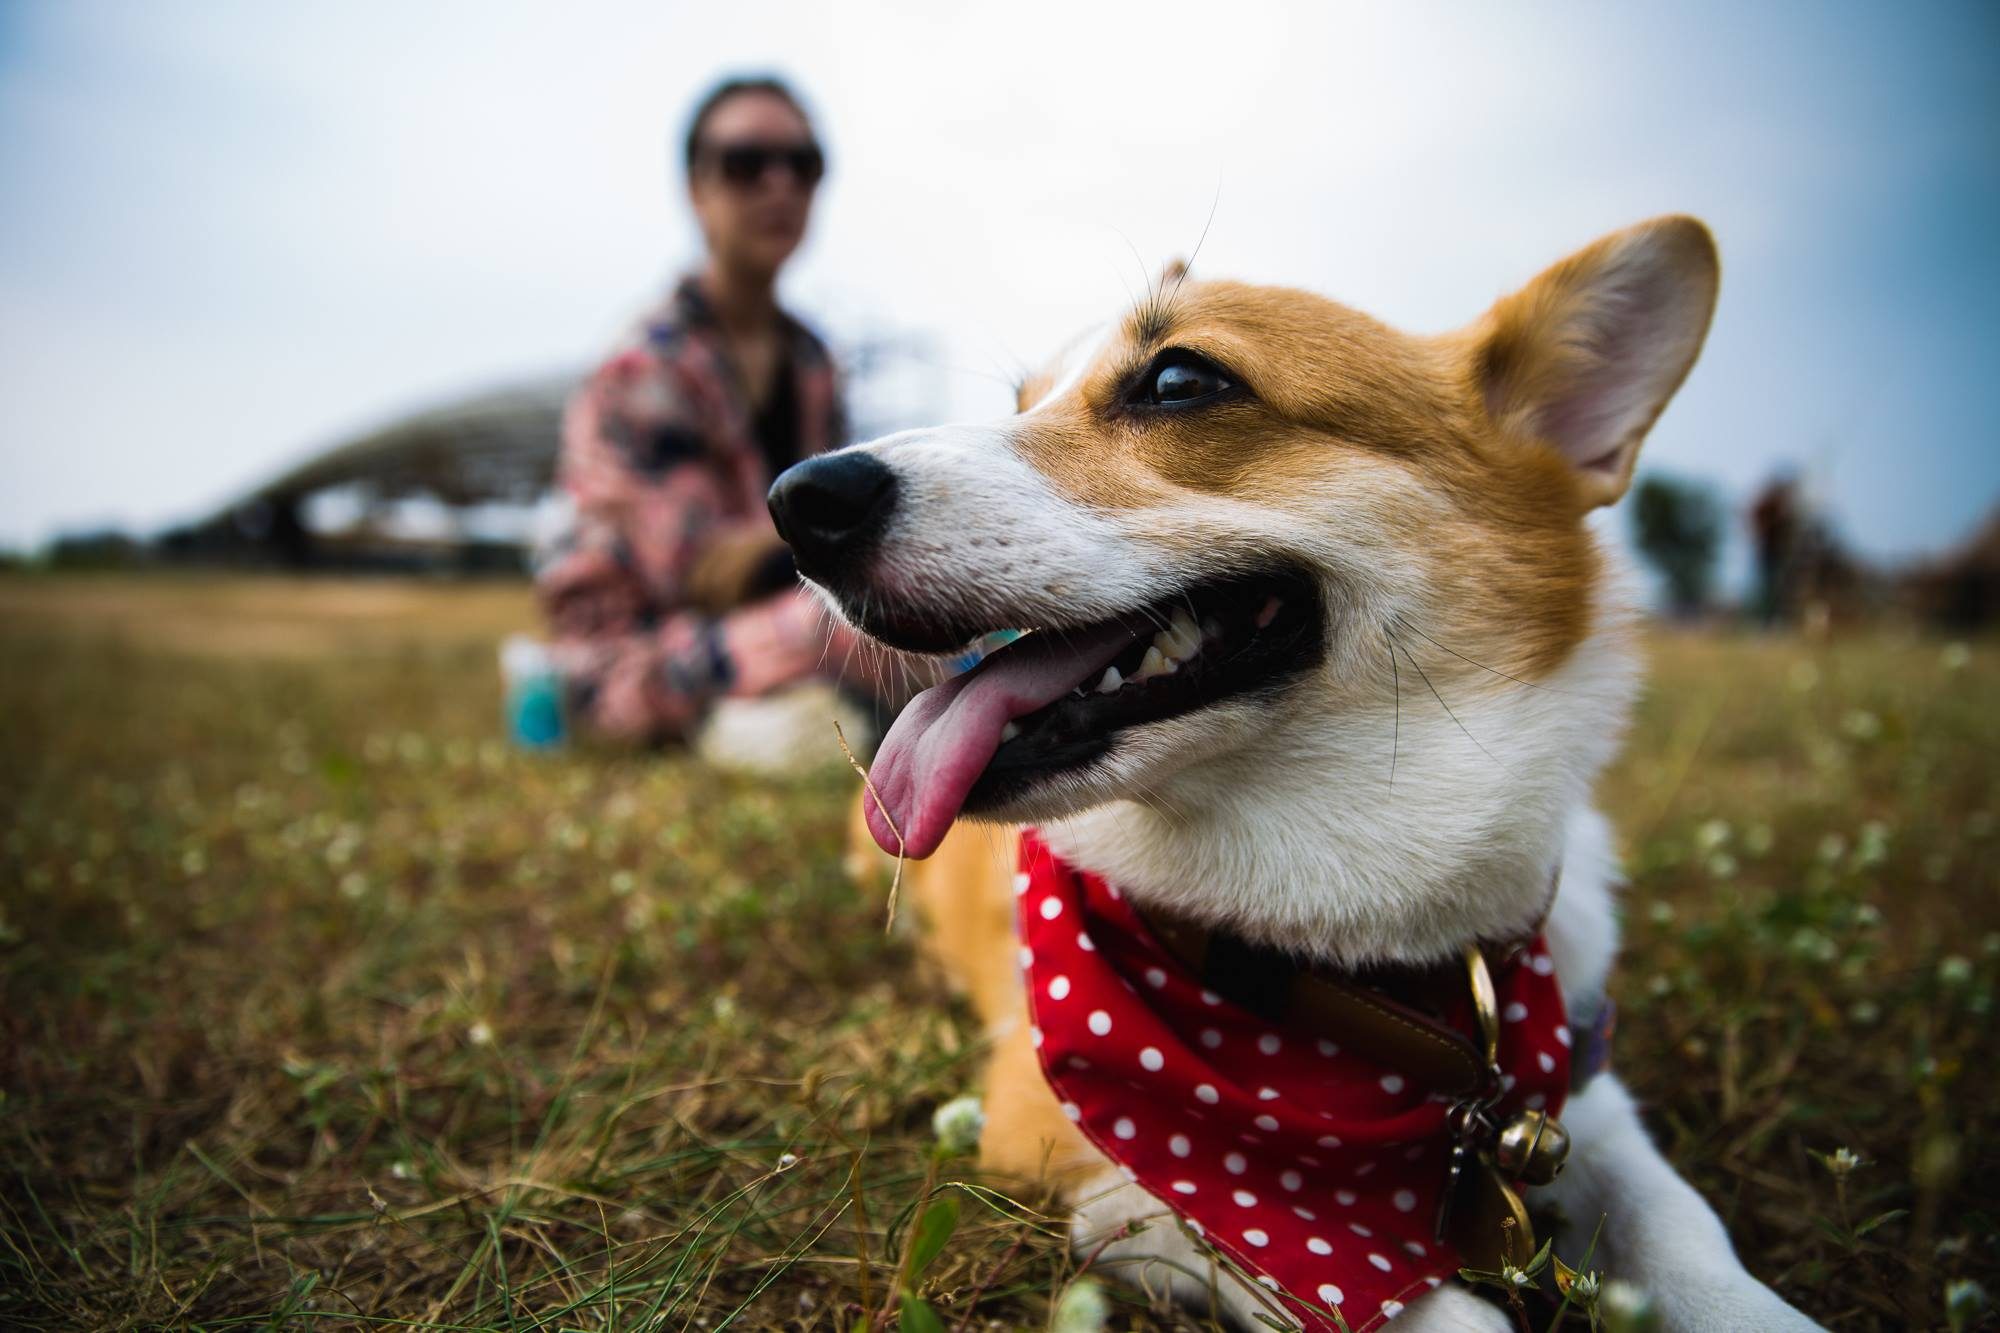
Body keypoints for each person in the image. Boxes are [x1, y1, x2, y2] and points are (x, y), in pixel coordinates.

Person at [537, 76, 888, 743]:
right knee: (864, 624)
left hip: (777, 624)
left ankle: (798, 718)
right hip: (638, 657)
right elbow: (701, 568)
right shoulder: (642, 370)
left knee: (900, 606)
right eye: (746, 163)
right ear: (697, 190)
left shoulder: (813, 360)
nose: (779, 185)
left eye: (803, 165)